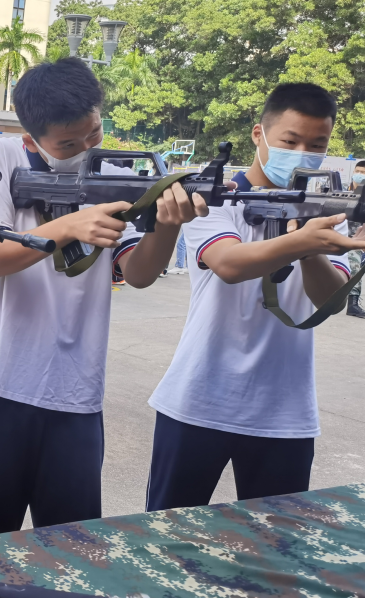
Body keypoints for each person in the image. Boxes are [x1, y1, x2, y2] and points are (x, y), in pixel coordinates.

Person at [0, 58, 207, 539]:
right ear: (31, 141)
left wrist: (166, 227)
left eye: (94, 134)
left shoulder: (117, 169)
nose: (87, 149)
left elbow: (140, 273)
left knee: (76, 548)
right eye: (69, 144)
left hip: (75, 393)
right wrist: (65, 226)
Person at [146, 83, 358, 510]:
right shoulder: (218, 196)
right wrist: (301, 241)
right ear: (259, 135)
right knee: (166, 542)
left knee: (278, 556)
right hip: (198, 402)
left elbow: (330, 300)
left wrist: (310, 240)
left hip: (285, 415)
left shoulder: (325, 205)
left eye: (317, 144)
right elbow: (229, 264)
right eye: (290, 141)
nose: (303, 154)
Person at [348, 161, 365, 318]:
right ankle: (352, 304)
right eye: (357, 171)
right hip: (344, 238)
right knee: (355, 267)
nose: (359, 175)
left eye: (363, 172)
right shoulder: (342, 192)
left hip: (360, 238)